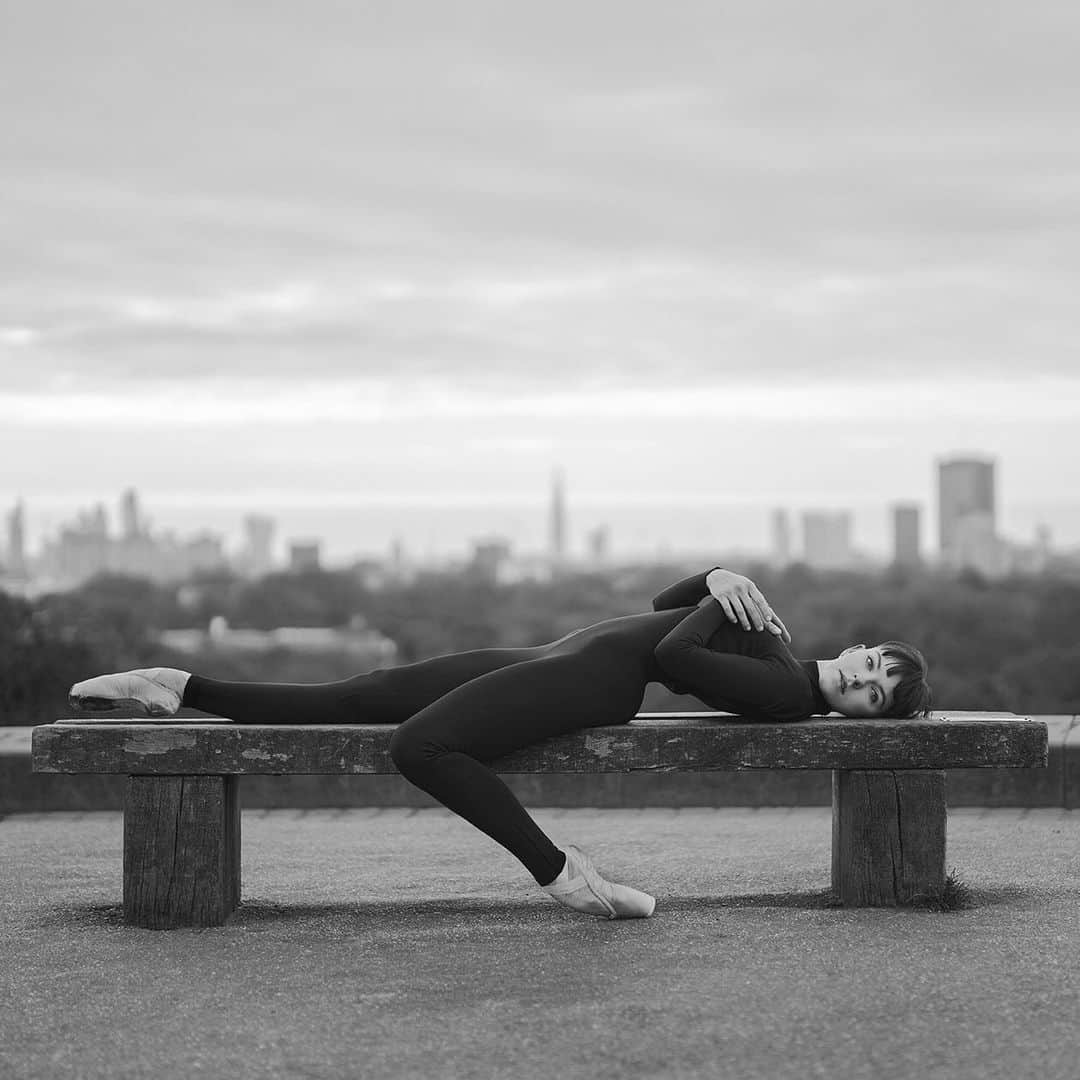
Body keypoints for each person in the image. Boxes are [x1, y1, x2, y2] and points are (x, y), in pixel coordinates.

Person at [68, 566, 932, 921]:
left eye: (877, 695)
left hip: (590, 682)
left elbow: (673, 651)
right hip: (565, 655)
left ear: (864, 713)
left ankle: (562, 874)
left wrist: (721, 590)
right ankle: (177, 688)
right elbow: (664, 603)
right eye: (874, 664)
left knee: (421, 746)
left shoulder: (788, 690)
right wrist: (714, 576)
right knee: (355, 695)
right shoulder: (781, 642)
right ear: (863, 645)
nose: (864, 680)